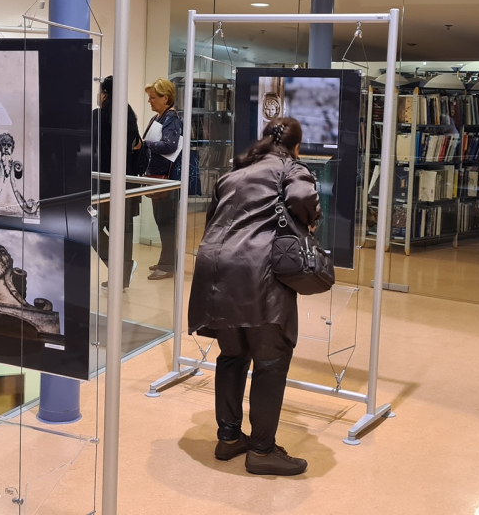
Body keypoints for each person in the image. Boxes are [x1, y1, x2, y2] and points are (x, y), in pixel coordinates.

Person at [187, 117, 319, 477]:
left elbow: (215, 215)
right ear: (295, 146)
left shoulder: (234, 173)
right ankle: (262, 450)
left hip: (214, 270)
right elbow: (303, 197)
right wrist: (310, 219)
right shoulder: (290, 167)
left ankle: (229, 438)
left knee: (232, 354)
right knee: (270, 360)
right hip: (257, 273)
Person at [92, 76, 144, 289]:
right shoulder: (129, 114)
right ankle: (122, 275)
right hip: (128, 183)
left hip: (104, 184)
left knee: (93, 229)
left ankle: (120, 269)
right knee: (123, 232)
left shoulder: (98, 116)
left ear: (105, 93)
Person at [141, 78, 183, 280]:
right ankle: (167, 259)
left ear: (165, 98)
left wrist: (146, 144)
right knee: (161, 221)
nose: (150, 101)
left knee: (165, 222)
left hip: (165, 180)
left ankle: (168, 266)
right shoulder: (159, 117)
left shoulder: (171, 119)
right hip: (158, 178)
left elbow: (170, 146)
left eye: (153, 98)